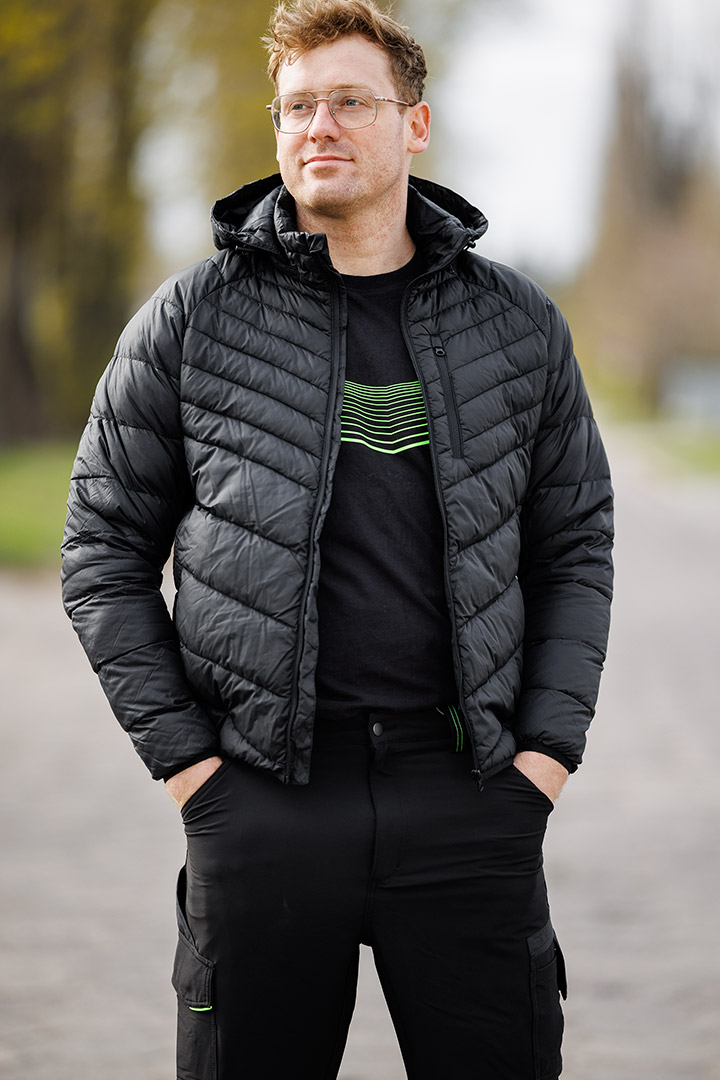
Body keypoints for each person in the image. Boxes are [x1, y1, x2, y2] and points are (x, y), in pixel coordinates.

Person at [61, 1, 614, 1077]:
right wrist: (194, 774)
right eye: (297, 106)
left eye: (351, 101)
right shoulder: (191, 320)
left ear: (415, 125)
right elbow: (101, 550)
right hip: (261, 801)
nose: (319, 125)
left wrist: (541, 762)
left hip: (468, 797)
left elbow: (574, 549)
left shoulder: (519, 326)